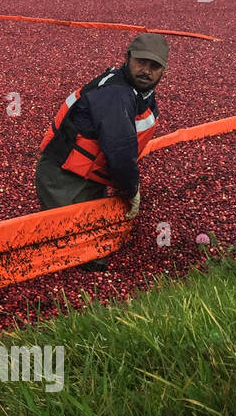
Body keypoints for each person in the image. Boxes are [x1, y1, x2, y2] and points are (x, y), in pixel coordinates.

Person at [35, 33, 168, 271]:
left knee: (103, 239)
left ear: (164, 70)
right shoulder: (116, 94)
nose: (146, 70)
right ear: (127, 58)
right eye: (141, 62)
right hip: (62, 176)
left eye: (154, 66)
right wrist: (131, 189)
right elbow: (119, 152)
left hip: (88, 176)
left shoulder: (141, 92)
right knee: (84, 258)